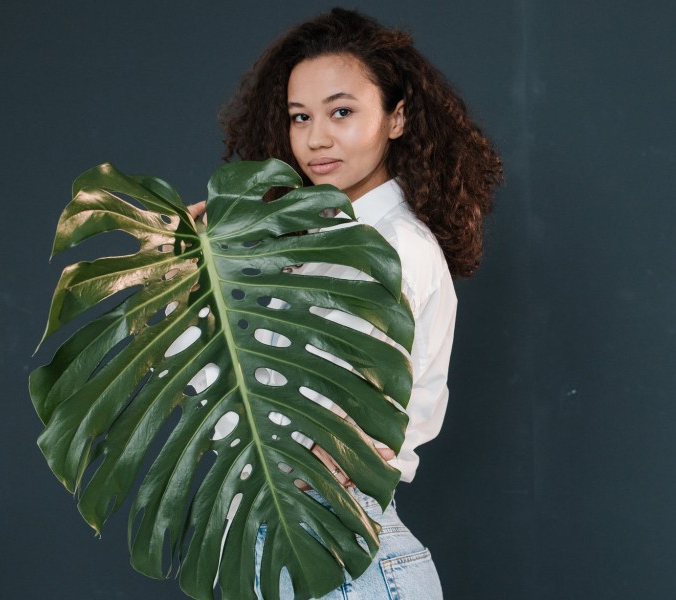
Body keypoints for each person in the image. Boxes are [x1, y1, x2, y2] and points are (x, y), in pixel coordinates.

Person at [197, 7, 502, 599]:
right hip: (281, 549)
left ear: (397, 118)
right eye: (299, 117)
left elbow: (339, 442)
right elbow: (222, 396)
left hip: (340, 561)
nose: (316, 138)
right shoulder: (308, 245)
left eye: (342, 112)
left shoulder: (396, 249)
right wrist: (194, 266)